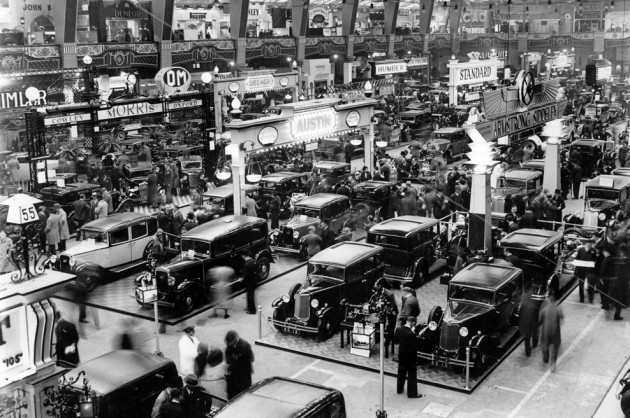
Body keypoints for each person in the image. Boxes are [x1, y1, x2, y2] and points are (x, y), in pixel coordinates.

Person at [394, 316, 422, 398]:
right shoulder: (411, 334)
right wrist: (414, 333)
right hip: (410, 357)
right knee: (412, 375)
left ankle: (399, 389)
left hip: (402, 355)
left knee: (401, 373)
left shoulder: (399, 329)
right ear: (413, 323)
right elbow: (415, 347)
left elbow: (396, 341)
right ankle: (412, 393)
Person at [224, 330, 255, 400]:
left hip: (244, 373)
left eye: (230, 343)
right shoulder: (229, 346)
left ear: (234, 339)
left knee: (244, 393)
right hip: (234, 373)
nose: (229, 344)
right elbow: (228, 359)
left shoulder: (245, 345)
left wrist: (238, 360)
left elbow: (251, 358)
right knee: (231, 392)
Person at [539, 291, 564, 372]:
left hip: (546, 330)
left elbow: (539, 320)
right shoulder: (558, 308)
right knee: (555, 347)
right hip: (555, 331)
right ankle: (553, 364)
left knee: (545, 344)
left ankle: (545, 357)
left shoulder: (544, 309)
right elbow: (562, 317)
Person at [519, 283, 539, 357]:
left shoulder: (524, 300)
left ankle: (528, 352)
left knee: (527, 337)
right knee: (534, 331)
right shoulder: (532, 300)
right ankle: (534, 343)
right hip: (532, 320)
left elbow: (520, 312)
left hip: (525, 321)